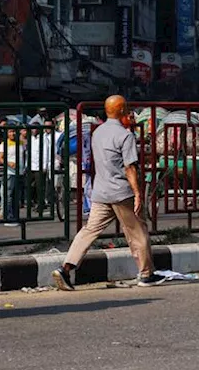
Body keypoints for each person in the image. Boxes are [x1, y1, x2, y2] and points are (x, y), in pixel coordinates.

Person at [52, 96, 164, 291]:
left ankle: (65, 268)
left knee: (89, 231)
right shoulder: (125, 135)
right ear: (121, 111)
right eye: (127, 109)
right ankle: (146, 274)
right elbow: (129, 168)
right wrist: (137, 193)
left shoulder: (98, 132)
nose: (130, 113)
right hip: (121, 192)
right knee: (138, 232)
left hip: (101, 191)